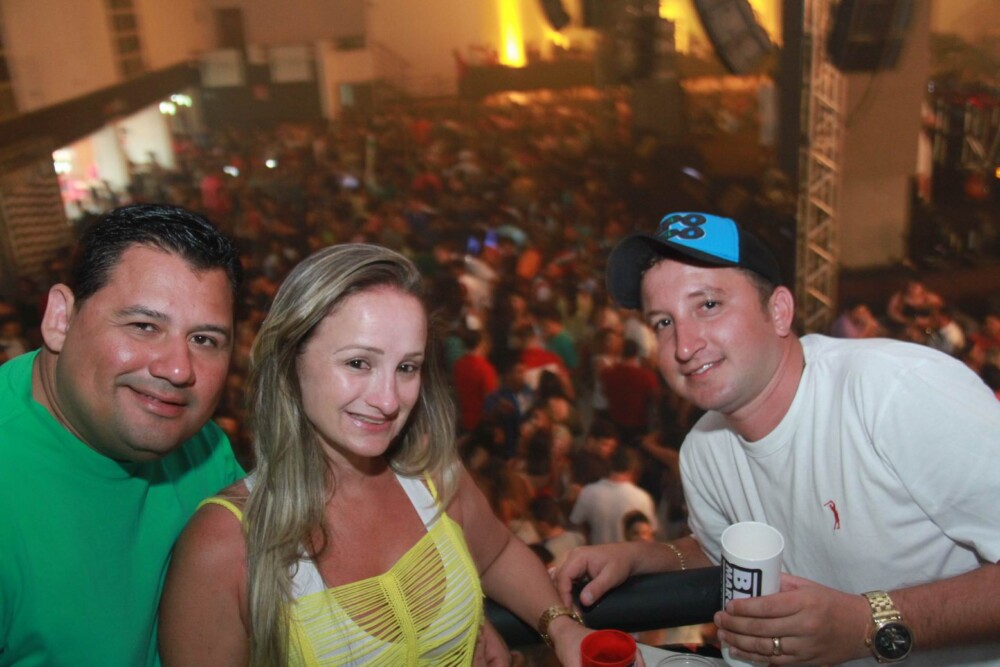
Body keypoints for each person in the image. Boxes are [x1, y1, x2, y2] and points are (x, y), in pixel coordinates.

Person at [556, 212, 1000, 666]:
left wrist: (867, 622)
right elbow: (721, 548)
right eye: (663, 322)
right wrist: (642, 556)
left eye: (708, 305)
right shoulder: (703, 450)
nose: (684, 346)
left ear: (779, 311)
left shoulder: (895, 392)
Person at [158, 244, 590, 666]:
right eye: (358, 363)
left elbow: (497, 553)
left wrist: (561, 626)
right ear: (291, 361)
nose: (388, 400)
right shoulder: (224, 544)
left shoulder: (432, 473)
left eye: (407, 367)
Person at [0, 203, 246, 665]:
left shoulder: (207, 449)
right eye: (144, 326)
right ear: (61, 319)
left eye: (204, 340)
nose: (178, 369)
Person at [569, 445, 658, 545]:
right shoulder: (642, 497)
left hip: (600, 553)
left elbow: (576, 525)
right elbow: (651, 533)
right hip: (630, 554)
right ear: (635, 471)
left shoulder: (589, 492)